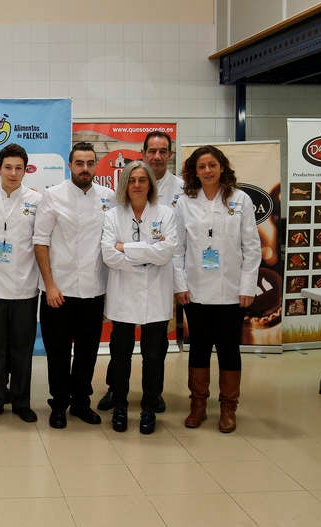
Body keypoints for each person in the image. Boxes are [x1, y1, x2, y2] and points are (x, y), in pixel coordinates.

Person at [173, 145, 260, 433]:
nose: (207, 171)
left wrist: (248, 286)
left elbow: (252, 247)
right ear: (194, 172)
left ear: (222, 167)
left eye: (212, 165)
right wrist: (180, 285)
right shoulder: (185, 203)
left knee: (228, 348)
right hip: (196, 290)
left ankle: (228, 407)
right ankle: (198, 404)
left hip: (231, 291)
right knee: (198, 347)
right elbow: (178, 249)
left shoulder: (240, 200)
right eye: (201, 166)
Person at [98, 131, 182, 413]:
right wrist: (147, 252)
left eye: (142, 180)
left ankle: (149, 404)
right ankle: (119, 403)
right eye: (132, 180)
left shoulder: (166, 214)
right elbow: (109, 255)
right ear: (125, 183)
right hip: (123, 295)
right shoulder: (113, 215)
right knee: (120, 354)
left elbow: (167, 252)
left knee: (153, 355)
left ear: (150, 184)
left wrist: (127, 248)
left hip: (155, 294)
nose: (137, 184)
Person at [34, 142, 115, 429]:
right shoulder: (52, 196)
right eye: (79, 163)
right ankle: (59, 404)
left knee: (87, 352)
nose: (85, 168)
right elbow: (40, 242)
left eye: (90, 163)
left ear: (96, 166)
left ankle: (81, 402)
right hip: (59, 292)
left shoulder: (109, 198)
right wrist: (50, 285)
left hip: (94, 291)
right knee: (57, 353)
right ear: (70, 166)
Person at [0, 143, 41, 423]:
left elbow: (41, 243)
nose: (13, 173)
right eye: (8, 167)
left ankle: (21, 401)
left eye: (19, 168)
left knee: (21, 350)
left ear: (25, 170)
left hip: (25, 287)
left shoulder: (37, 201)